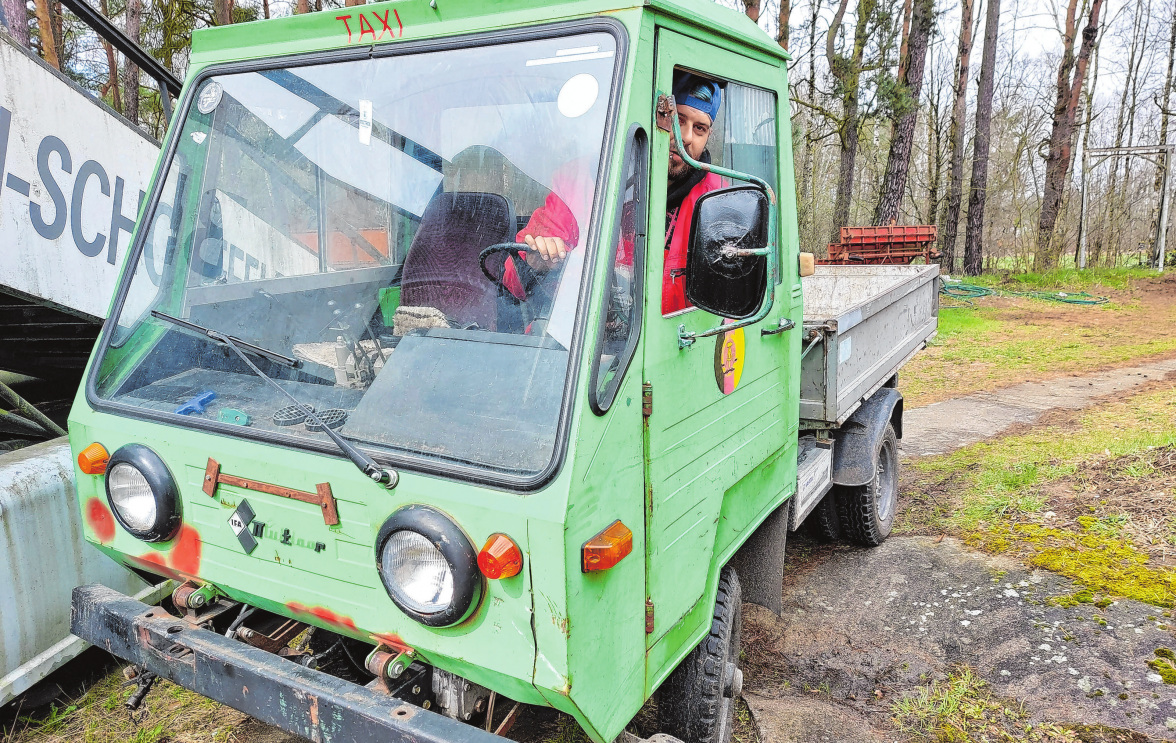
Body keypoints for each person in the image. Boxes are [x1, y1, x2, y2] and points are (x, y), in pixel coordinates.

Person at [514, 71, 724, 315]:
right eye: (676, 120)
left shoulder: (717, 202)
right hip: (578, 338)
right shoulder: (580, 179)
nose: (685, 137)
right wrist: (536, 262)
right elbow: (518, 275)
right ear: (654, 118)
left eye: (699, 129)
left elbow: (723, 307)